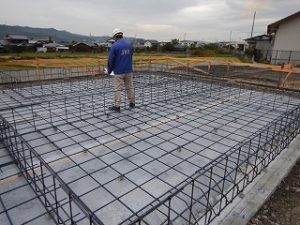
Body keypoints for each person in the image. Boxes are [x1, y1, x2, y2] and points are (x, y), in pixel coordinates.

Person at [107, 28, 135, 112]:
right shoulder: (129, 45)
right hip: (128, 70)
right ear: (121, 35)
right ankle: (132, 102)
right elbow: (130, 56)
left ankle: (117, 106)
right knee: (130, 87)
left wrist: (109, 70)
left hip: (119, 71)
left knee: (117, 88)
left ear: (115, 36)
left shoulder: (114, 46)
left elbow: (111, 60)